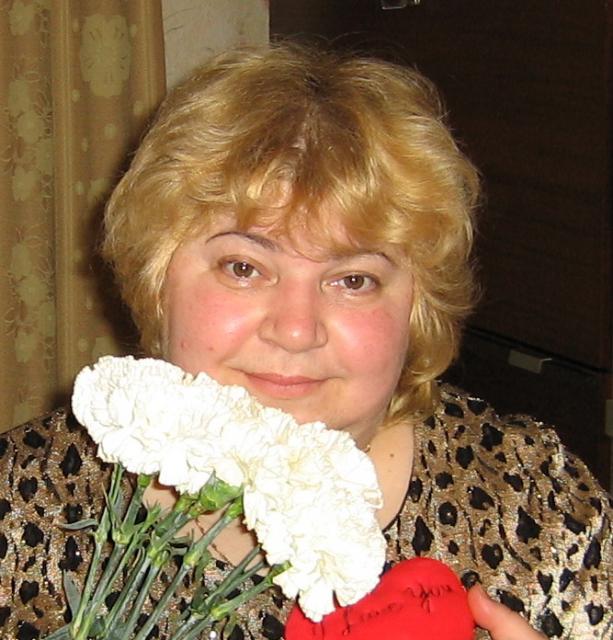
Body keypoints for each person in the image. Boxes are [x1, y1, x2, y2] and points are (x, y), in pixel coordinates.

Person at [1, 42, 611, 640]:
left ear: (419, 307)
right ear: (158, 281)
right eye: (244, 268)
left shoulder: (538, 506)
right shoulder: (20, 507)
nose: (295, 330)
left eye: (353, 280)